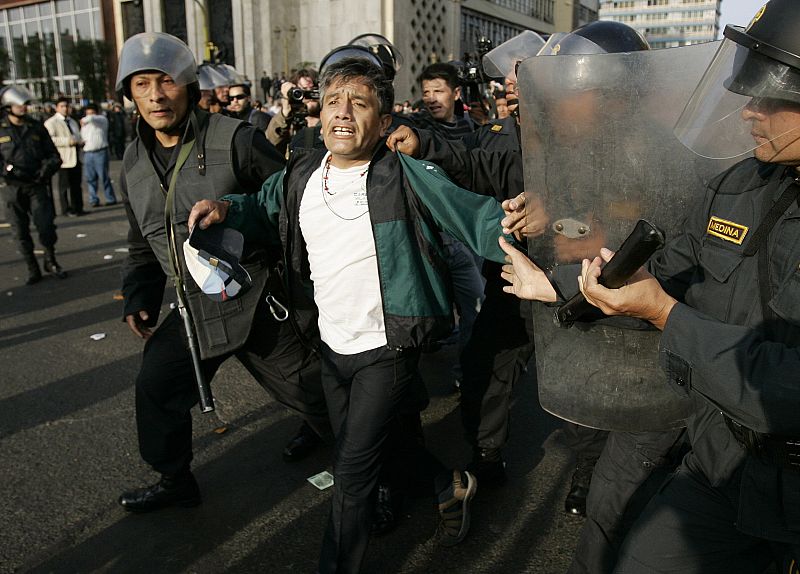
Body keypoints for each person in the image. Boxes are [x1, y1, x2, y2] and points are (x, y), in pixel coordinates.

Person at [188, 56, 519, 574]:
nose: (343, 113)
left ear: (385, 123)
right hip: (331, 343)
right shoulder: (301, 173)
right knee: (376, 445)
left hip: (387, 347)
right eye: (333, 102)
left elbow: (473, 216)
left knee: (351, 475)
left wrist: (526, 232)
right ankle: (449, 486)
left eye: (360, 104)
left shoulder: (403, 173)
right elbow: (263, 205)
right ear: (319, 112)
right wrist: (227, 209)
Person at [500, 1, 800, 571]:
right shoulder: (742, 184)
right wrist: (559, 281)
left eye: (770, 97)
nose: (747, 113)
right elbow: (663, 260)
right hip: (723, 449)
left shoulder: (665, 157)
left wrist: (666, 316)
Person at [113, 32, 330, 513]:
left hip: (257, 296)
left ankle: (377, 470)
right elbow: (141, 240)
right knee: (157, 385)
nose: (155, 94)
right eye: (142, 84)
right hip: (194, 304)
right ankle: (174, 479)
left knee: (313, 390)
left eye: (166, 81)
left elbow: (294, 207)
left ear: (188, 84)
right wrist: (138, 294)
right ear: (129, 93)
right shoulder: (130, 162)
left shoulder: (237, 139)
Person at [0, 86, 64, 284]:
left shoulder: (36, 127)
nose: (24, 107)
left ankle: (50, 260)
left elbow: (54, 156)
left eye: (26, 104)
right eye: (20, 104)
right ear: (8, 106)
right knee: (19, 230)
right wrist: (6, 171)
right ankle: (32, 267)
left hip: (36, 185)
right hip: (12, 187)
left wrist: (45, 170)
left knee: (45, 226)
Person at [266, 68, 320, 156]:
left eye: (313, 90)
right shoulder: (289, 120)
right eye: (303, 91)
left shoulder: (331, 119)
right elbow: (270, 144)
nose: (309, 96)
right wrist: (285, 113)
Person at [44, 97, 84, 216]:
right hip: (63, 158)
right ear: (57, 108)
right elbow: (50, 140)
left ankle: (78, 207)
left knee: (76, 185)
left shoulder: (72, 121)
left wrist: (80, 141)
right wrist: (67, 141)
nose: (65, 109)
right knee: (64, 186)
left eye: (67, 106)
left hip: (76, 156)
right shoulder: (51, 122)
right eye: (62, 106)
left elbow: (77, 135)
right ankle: (66, 209)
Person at [80, 103, 117, 207]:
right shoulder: (85, 125)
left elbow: (92, 118)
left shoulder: (101, 120)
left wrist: (86, 118)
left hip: (100, 152)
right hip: (88, 152)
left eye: (91, 113)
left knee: (104, 176)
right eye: (87, 114)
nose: (88, 116)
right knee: (90, 178)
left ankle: (110, 198)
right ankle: (93, 199)